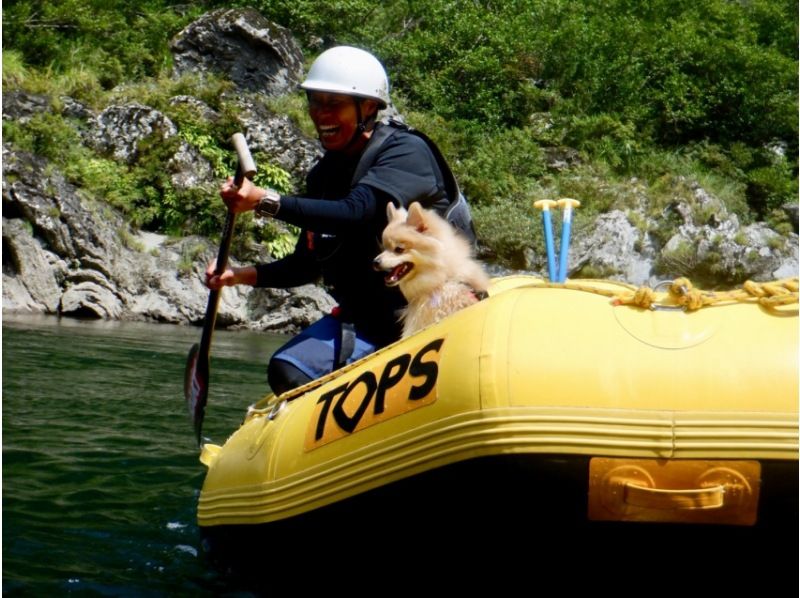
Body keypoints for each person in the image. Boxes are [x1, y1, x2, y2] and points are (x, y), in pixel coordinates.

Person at [206, 46, 452, 395]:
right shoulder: (323, 177)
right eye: (315, 102)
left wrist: (263, 201)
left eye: (333, 103)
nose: (321, 114)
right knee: (287, 372)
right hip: (370, 322)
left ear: (368, 107)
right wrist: (237, 276)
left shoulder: (405, 153)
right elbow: (306, 265)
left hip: (432, 312)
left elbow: (355, 212)